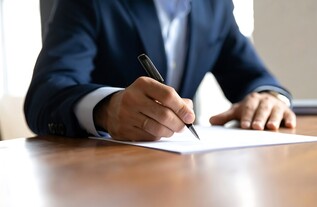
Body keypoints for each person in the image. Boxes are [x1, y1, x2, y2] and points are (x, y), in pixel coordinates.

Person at [24, 0, 296, 141]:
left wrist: (269, 97)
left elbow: (253, 75)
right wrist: (107, 109)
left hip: (182, 177)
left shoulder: (216, 5)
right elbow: (44, 95)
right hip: (99, 186)